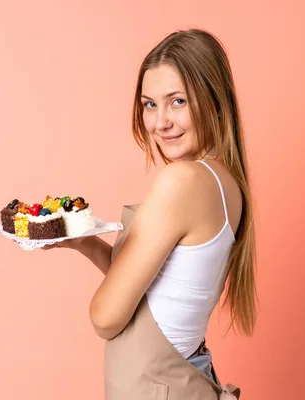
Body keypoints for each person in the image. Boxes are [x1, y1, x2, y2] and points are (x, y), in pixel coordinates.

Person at [44, 28, 257, 399]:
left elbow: (106, 317)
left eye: (177, 101)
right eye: (149, 104)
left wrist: (102, 303)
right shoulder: (223, 181)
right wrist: (85, 243)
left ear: (214, 101)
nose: (160, 123)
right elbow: (156, 295)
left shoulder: (183, 181)